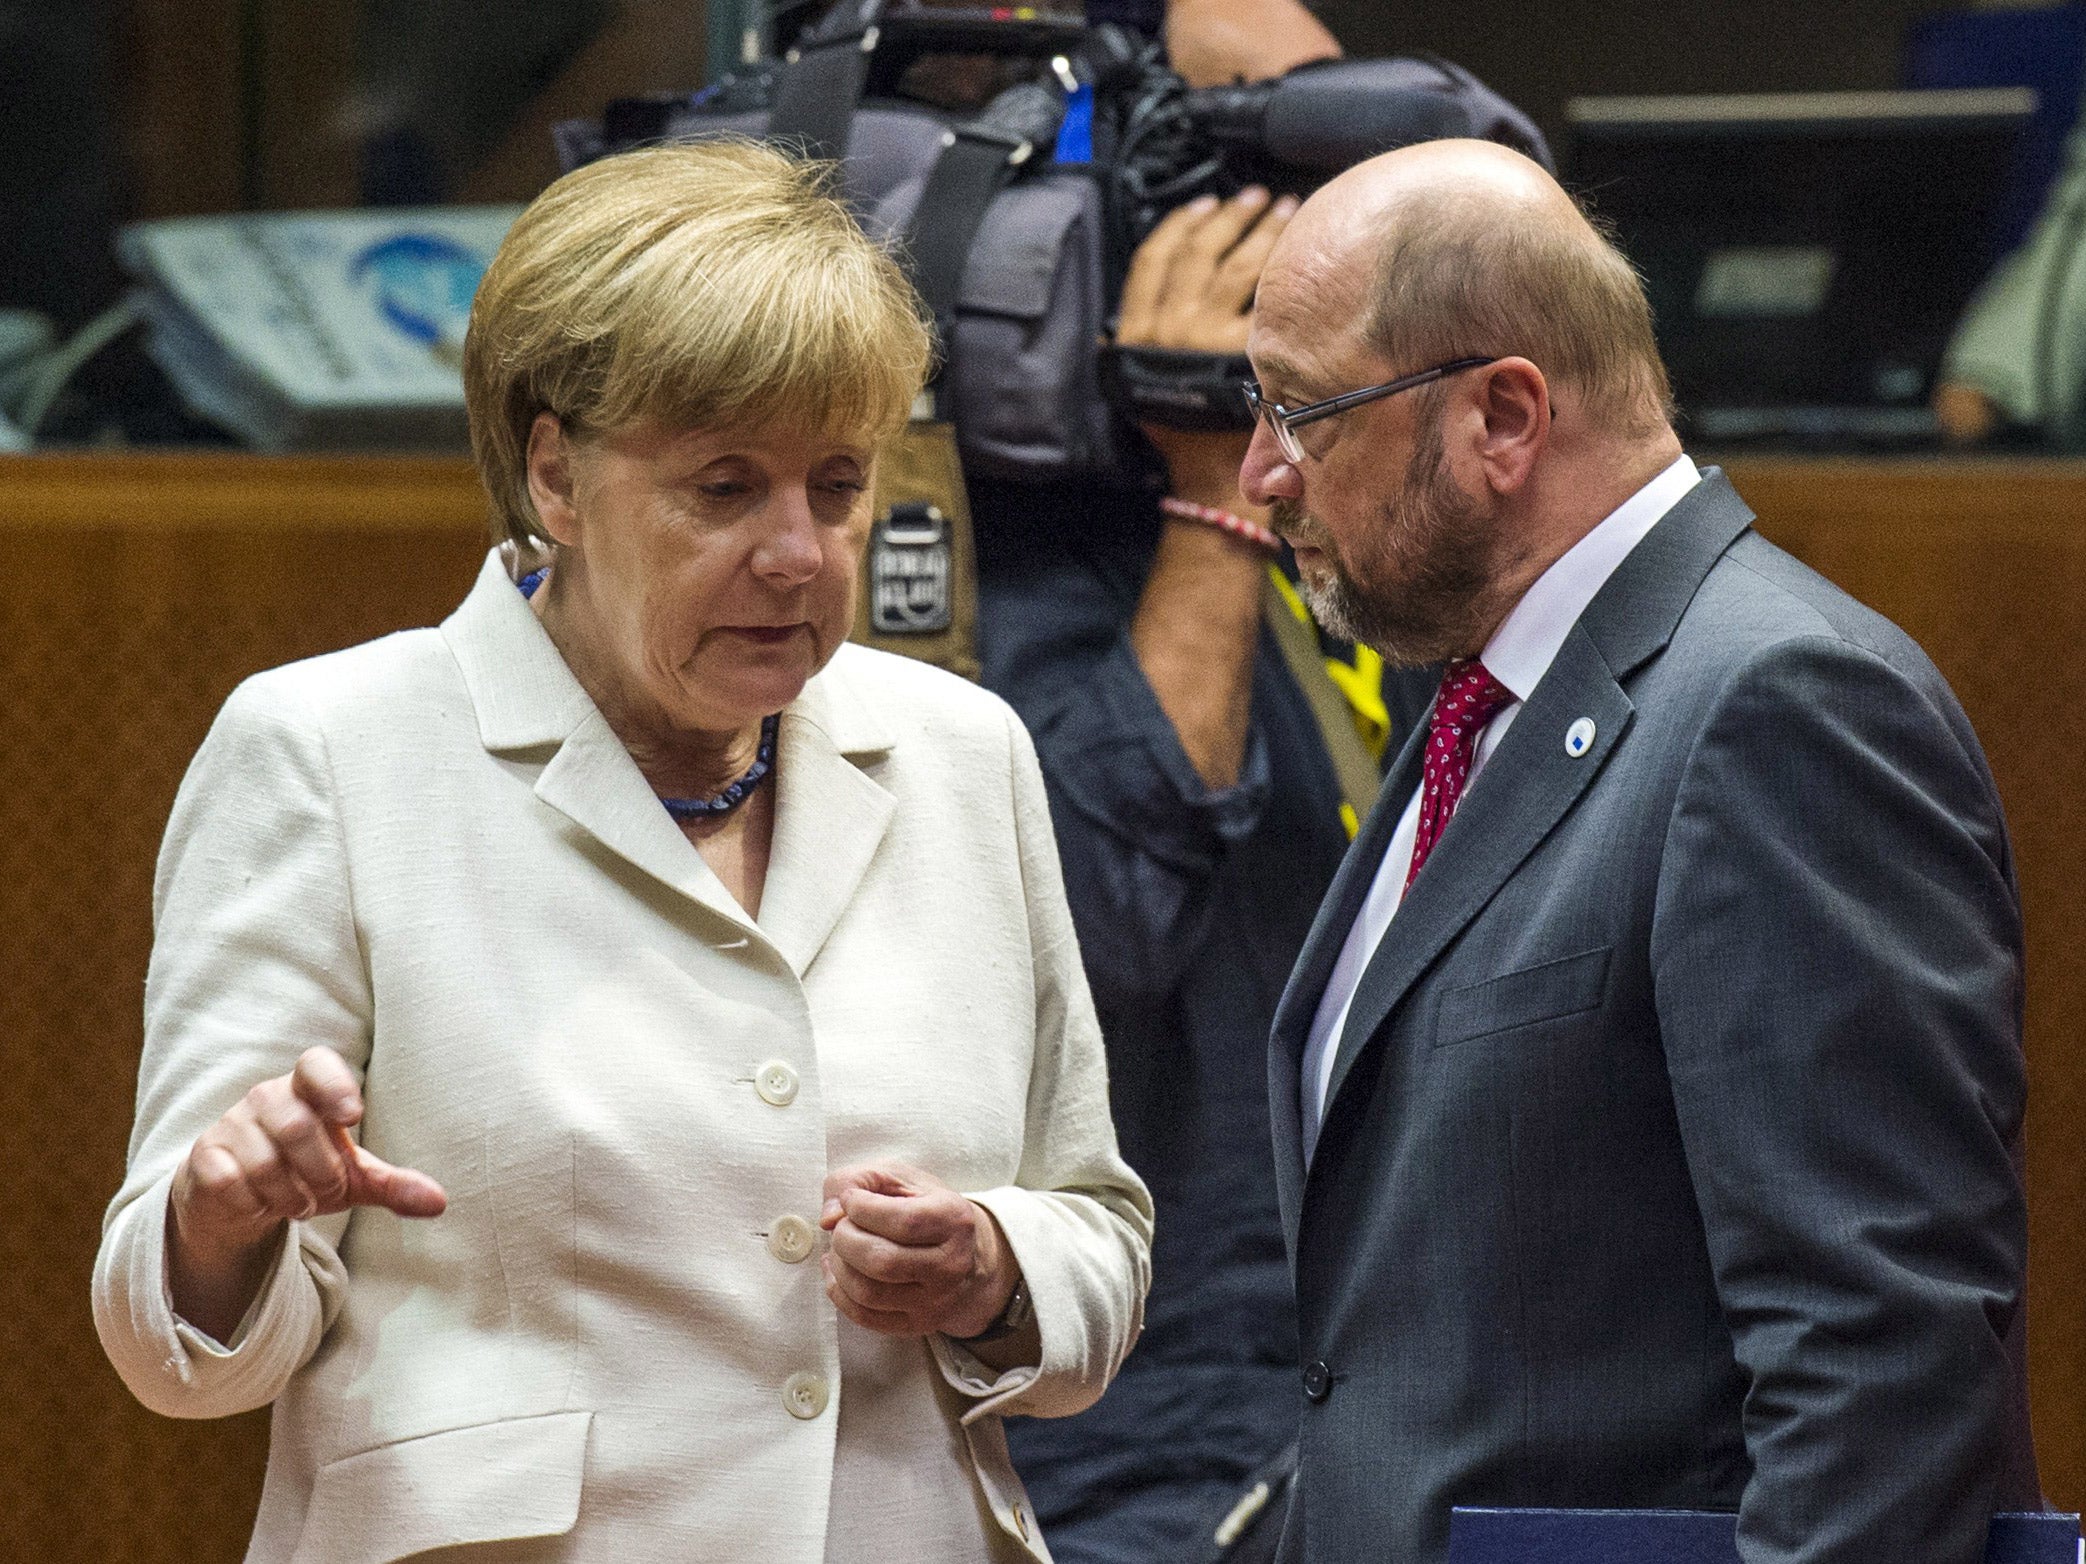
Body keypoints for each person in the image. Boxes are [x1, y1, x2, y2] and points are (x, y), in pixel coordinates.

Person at [91, 139, 1152, 1564]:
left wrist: (993, 1270)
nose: (797, 551)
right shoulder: (329, 752)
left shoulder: (962, 754)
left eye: (835, 486)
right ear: (555, 475)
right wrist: (224, 1218)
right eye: (723, 488)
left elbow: (1099, 1239)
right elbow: (176, 1358)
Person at [1241, 139, 2041, 1564]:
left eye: (1305, 415)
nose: (1262, 478)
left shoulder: (1777, 703)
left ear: (1501, 416)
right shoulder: (1477, 704)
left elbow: (1880, 1365)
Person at [983, 5, 1441, 1560]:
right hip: (1125, 1432)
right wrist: (1204, 487)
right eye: (1278, 147)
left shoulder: (1338, 490)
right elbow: (1095, 928)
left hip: (1344, 1392)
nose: (1348, 207)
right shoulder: (935, 537)